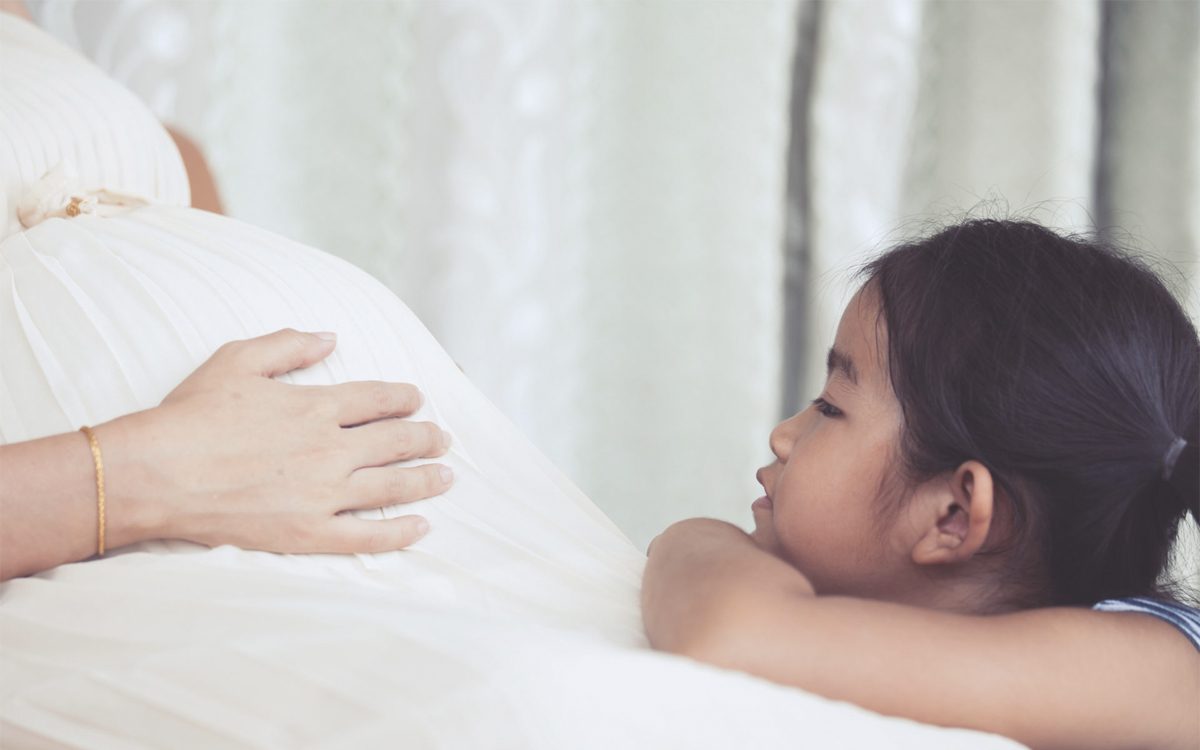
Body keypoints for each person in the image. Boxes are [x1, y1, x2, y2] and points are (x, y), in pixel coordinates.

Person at [643, 219, 1200, 750]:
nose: (782, 436)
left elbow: (733, 633)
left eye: (830, 406)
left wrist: (694, 535)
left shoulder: (1154, 671)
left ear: (953, 514)